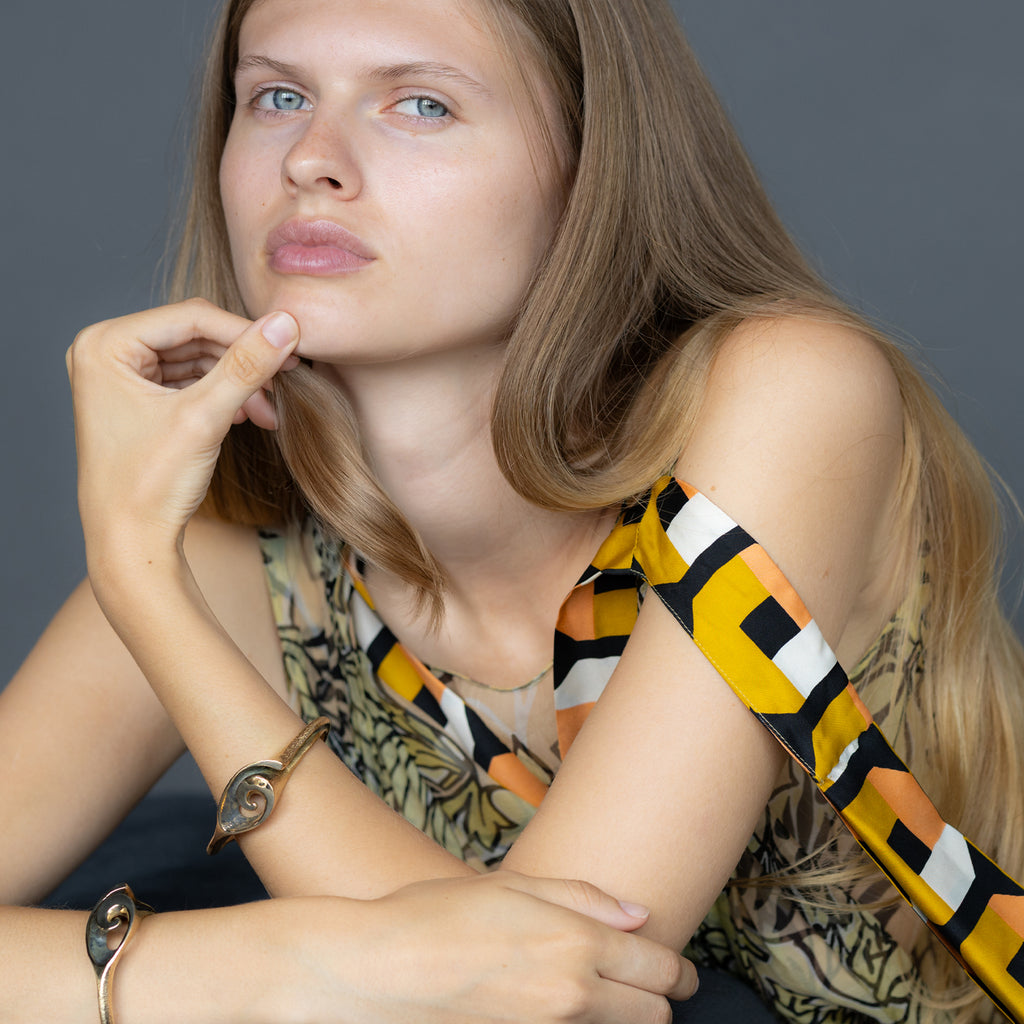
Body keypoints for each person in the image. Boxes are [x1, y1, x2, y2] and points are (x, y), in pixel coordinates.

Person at [2, 0, 1022, 1022]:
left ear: (590, 172)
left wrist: (140, 572)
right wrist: (271, 967)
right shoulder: (244, 553)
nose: (311, 159)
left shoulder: (791, 394)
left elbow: (528, 1004)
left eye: (421, 104)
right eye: (276, 95)